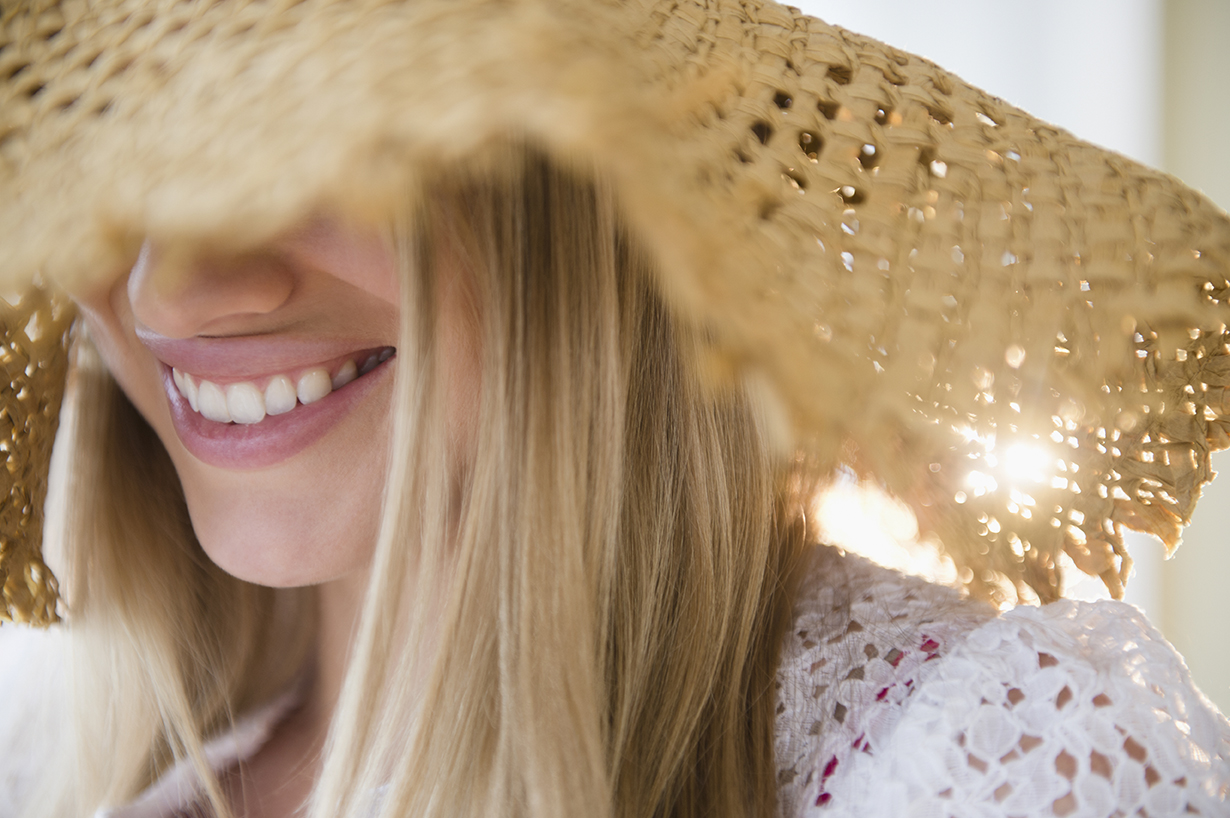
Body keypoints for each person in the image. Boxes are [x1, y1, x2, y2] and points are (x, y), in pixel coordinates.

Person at [0, 1, 1227, 817]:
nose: (169, 287)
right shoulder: (75, 774)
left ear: (585, 182)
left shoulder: (995, 769)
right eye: (111, 157)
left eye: (299, 145)